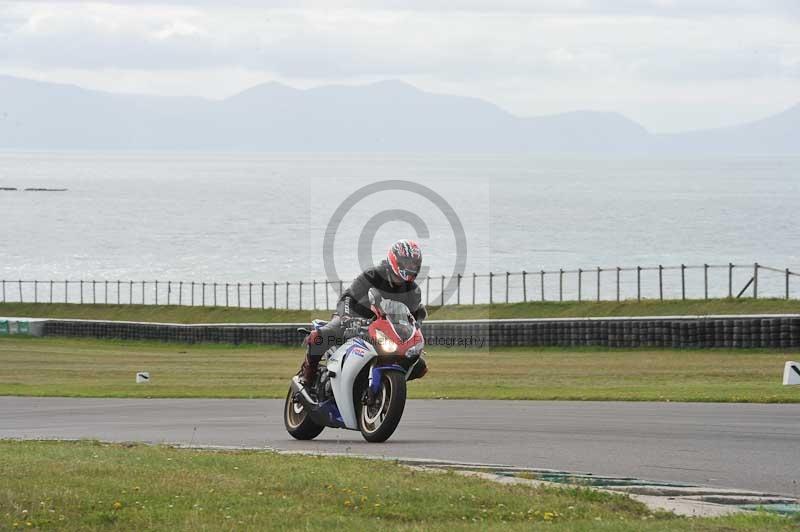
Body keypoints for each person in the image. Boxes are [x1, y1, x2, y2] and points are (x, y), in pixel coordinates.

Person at [300, 239, 428, 385]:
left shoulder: (414, 291)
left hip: (383, 330)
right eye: (407, 262)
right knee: (322, 335)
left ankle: (384, 388)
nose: (411, 267)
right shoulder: (372, 275)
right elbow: (347, 297)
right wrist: (346, 317)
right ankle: (307, 375)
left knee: (420, 366)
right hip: (353, 319)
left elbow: (413, 316)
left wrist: (414, 330)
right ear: (395, 260)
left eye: (414, 264)